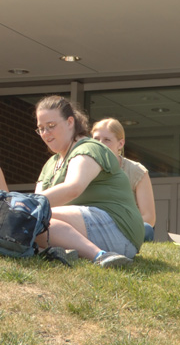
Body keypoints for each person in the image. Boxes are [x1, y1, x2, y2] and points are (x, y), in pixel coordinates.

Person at [34, 95, 145, 267]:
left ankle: (100, 256)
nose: (45, 133)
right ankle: (66, 253)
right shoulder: (50, 164)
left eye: (51, 126)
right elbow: (38, 201)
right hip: (85, 229)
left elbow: (73, 187)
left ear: (70, 122)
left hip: (120, 233)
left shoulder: (88, 148)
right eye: (40, 128)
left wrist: (21, 207)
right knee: (29, 221)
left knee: (31, 216)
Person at [91, 118, 156, 242]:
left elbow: (149, 218)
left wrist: (115, 227)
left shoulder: (137, 171)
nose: (100, 144)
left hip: (125, 229)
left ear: (120, 144)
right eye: (96, 139)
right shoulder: (83, 168)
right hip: (91, 227)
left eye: (107, 140)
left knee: (146, 229)